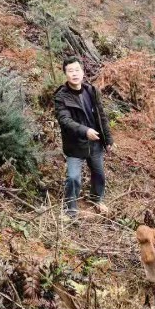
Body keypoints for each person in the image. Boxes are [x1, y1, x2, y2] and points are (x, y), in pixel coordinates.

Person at [54, 56, 114, 221]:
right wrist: (85, 131)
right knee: (73, 178)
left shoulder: (91, 91)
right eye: (70, 71)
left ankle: (96, 199)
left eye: (77, 70)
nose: (74, 74)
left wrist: (108, 140)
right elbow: (65, 121)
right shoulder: (61, 96)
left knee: (99, 173)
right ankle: (70, 210)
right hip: (75, 145)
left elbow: (101, 117)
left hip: (95, 143)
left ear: (82, 72)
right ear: (65, 74)